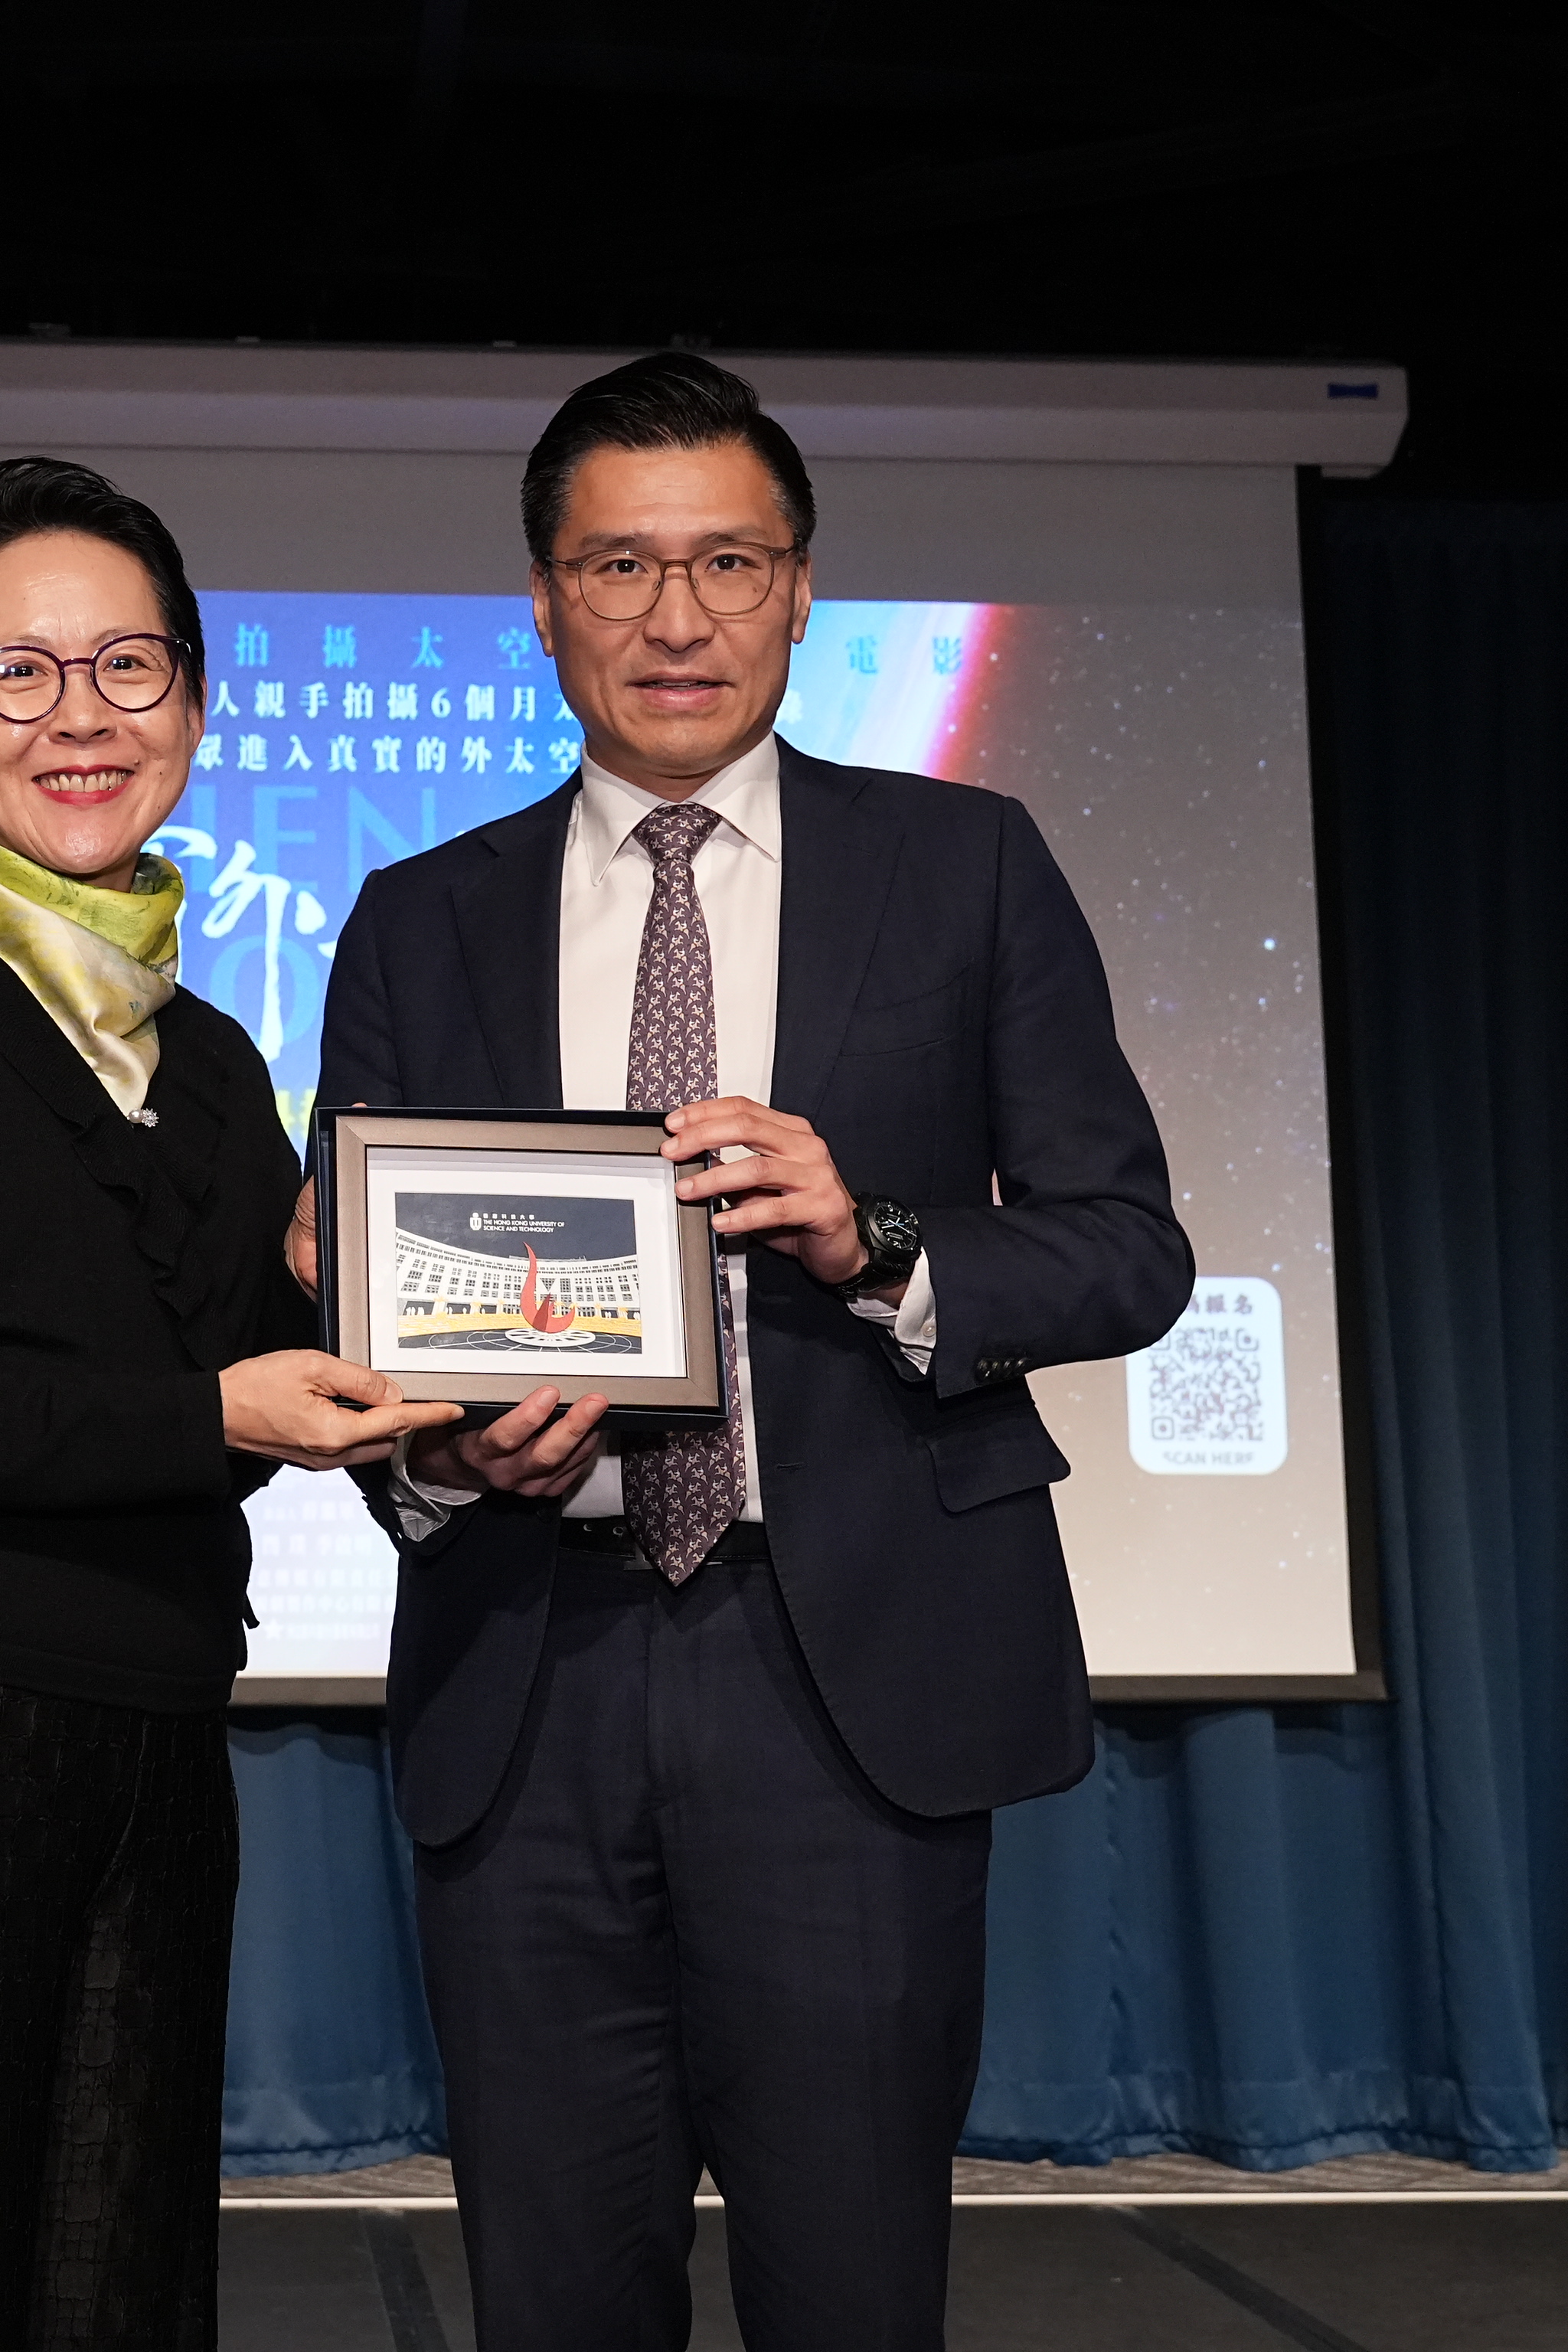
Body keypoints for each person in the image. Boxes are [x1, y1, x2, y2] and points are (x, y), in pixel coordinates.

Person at [309, 354, 1194, 2349]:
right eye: (619, 565)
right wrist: (456, 1459)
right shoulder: (413, 922)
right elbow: (360, 1326)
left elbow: (1124, 1251)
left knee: (854, 2286)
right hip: (530, 1682)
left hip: (848, 1678)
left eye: (729, 560)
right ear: (542, 599)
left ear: (803, 590)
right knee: (553, 2292)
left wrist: (872, 1235)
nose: (676, 614)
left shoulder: (962, 865)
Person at [0, 457, 459, 2348]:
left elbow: (244, 1376)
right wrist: (212, 1413)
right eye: (20, 676)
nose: (80, 719)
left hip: (148, 1723)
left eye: (129, 668)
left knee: (116, 2285)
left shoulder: (213, 1064)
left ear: (197, 705)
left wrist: (394, 1336)